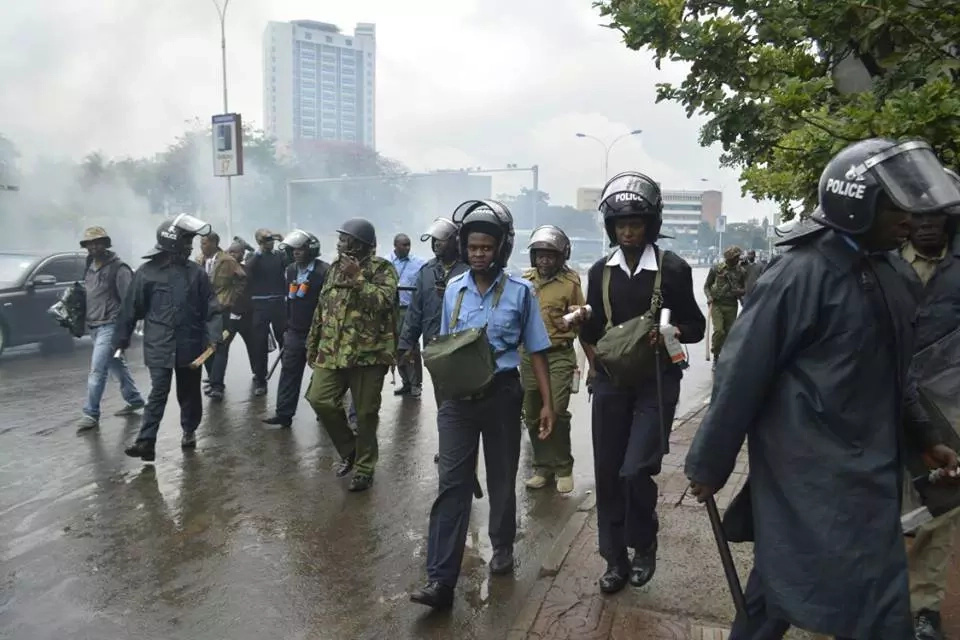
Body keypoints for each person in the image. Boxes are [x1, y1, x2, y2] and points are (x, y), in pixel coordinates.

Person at [684, 138, 960, 640]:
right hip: (805, 472)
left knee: (819, 582)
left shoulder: (892, 274)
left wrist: (924, 437)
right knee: (799, 576)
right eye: (895, 206)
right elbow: (741, 376)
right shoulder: (797, 275)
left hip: (868, 474)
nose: (910, 220)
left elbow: (898, 378)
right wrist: (708, 464)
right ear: (857, 203)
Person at [410, 200, 557, 610]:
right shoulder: (453, 289)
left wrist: (547, 404)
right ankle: (441, 581)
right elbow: (443, 350)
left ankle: (503, 544)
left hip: (503, 394)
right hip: (458, 401)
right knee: (452, 485)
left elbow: (538, 350)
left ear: (501, 249)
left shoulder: (521, 293)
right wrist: (441, 402)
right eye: (472, 247)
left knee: (501, 478)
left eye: (486, 248)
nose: (478, 254)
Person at [578, 172, 705, 595]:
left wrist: (672, 334)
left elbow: (697, 325)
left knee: (636, 470)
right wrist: (584, 335)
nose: (628, 231)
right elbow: (593, 327)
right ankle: (614, 558)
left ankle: (644, 543)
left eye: (636, 223)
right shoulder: (599, 272)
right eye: (620, 225)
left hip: (656, 381)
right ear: (611, 228)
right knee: (608, 473)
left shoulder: (673, 269)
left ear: (651, 225)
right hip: (612, 383)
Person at [893, 167, 960, 640]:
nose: (930, 222)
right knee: (878, 500)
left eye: (939, 212)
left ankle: (925, 606)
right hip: (888, 399)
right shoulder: (881, 261)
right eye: (919, 212)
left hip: (952, 403)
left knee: (945, 505)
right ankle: (876, 591)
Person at [116, 214, 223, 462]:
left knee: (189, 392)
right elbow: (131, 309)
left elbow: (212, 307)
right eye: (186, 241)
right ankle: (146, 442)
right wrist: (121, 340)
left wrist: (214, 337)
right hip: (159, 346)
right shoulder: (146, 273)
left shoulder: (196, 274)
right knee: (158, 392)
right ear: (172, 242)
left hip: (190, 344)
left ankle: (189, 430)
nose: (191, 246)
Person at [305, 218, 398, 492]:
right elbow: (322, 309)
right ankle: (351, 450)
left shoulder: (382, 268)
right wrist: (313, 343)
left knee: (367, 413)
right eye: (340, 239)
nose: (340, 243)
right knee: (319, 399)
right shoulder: (334, 269)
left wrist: (358, 278)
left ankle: (365, 468)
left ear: (361, 244)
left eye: (346, 239)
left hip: (368, 355)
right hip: (332, 352)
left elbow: (383, 302)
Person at [520, 224, 585, 495]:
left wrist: (574, 317)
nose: (544, 260)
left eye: (550, 255)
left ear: (561, 257)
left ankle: (563, 467)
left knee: (556, 409)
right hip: (528, 355)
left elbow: (581, 315)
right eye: (539, 254)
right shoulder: (523, 280)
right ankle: (542, 466)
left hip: (558, 354)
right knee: (532, 413)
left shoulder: (571, 282)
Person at [76, 226, 145, 431]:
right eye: (90, 243)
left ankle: (91, 413)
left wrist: (125, 333)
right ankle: (134, 399)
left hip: (110, 326)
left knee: (97, 369)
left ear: (106, 244)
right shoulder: (90, 264)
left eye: (98, 242)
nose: (94, 246)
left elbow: (129, 302)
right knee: (115, 364)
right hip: (94, 326)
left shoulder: (119, 268)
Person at [398, 217, 469, 407]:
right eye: (434, 240)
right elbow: (415, 311)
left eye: (442, 239)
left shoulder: (470, 270)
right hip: (434, 345)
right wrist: (406, 343)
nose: (436, 243)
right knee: (443, 397)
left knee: (463, 396)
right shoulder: (426, 271)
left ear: (455, 242)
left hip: (462, 345)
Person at [263, 230, 330, 428]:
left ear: (311, 250)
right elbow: (289, 301)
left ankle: (325, 413)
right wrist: (286, 327)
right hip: (294, 331)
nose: (296, 253)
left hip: (318, 333)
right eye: (293, 249)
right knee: (289, 373)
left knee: (322, 376)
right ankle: (284, 414)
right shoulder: (291, 270)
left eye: (300, 249)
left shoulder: (323, 271)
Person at [197, 232, 246, 401]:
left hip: (221, 310)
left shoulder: (227, 261)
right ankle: (213, 380)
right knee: (205, 348)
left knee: (220, 345)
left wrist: (230, 299)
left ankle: (217, 385)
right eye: (201, 243)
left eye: (204, 243)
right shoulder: (199, 260)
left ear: (214, 243)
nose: (201, 246)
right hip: (203, 310)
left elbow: (242, 279)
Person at [247, 228, 287, 396]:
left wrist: (283, 241)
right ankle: (260, 378)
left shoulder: (278, 256)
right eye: (265, 240)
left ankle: (288, 374)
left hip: (278, 303)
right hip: (260, 305)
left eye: (270, 239)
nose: (269, 242)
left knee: (284, 340)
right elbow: (248, 270)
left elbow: (291, 261)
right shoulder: (253, 257)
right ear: (258, 242)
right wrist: (259, 250)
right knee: (259, 343)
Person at [389, 233, 427, 397]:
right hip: (392, 309)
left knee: (410, 347)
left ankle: (416, 384)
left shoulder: (419, 264)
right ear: (395, 245)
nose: (407, 248)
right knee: (396, 347)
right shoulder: (386, 263)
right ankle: (405, 382)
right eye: (403, 245)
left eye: (408, 245)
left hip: (409, 310)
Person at [704, 245, 746, 369]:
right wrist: (709, 297)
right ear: (728, 258)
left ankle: (725, 358)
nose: (737, 259)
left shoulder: (741, 271)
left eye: (737, 257)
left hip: (731, 306)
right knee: (719, 331)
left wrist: (739, 292)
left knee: (728, 334)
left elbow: (744, 289)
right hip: (717, 305)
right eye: (734, 257)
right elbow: (706, 286)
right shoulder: (716, 269)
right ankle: (716, 355)